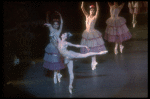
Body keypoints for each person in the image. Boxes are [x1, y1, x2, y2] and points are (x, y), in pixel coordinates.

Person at [80, 1, 107, 70]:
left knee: (93, 47)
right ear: (89, 11)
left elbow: (98, 10)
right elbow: (82, 8)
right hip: (87, 33)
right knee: (89, 47)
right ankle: (93, 61)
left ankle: (93, 61)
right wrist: (83, 2)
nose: (92, 11)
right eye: (91, 10)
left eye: (93, 10)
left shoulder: (95, 17)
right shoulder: (87, 16)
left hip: (92, 33)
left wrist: (97, 3)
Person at [43, 11, 65, 84]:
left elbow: (62, 23)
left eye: (57, 24)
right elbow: (48, 24)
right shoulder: (51, 29)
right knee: (54, 61)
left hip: (58, 47)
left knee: (58, 61)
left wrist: (60, 15)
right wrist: (47, 16)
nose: (55, 25)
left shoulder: (59, 31)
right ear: (53, 25)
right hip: (52, 48)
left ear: (58, 25)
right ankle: (55, 75)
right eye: (54, 24)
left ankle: (58, 74)